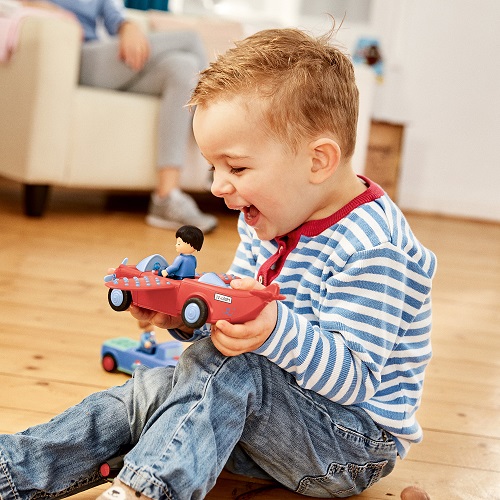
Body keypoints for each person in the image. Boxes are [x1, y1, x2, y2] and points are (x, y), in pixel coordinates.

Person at [0, 26, 436, 500]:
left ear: (318, 161)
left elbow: (353, 377)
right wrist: (186, 317)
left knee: (232, 368)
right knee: (146, 394)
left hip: (346, 445)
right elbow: (233, 324)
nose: (217, 187)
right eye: (214, 168)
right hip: (260, 413)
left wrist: (271, 329)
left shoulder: (374, 248)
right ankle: (12, 469)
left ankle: (149, 491)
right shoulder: (265, 220)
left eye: (238, 167)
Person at [20, 0, 217, 233]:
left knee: (183, 67)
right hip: (74, 55)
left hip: (106, 59)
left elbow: (114, 16)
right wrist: (46, 10)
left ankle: (166, 196)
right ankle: (214, 147)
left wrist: (128, 27)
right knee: (190, 40)